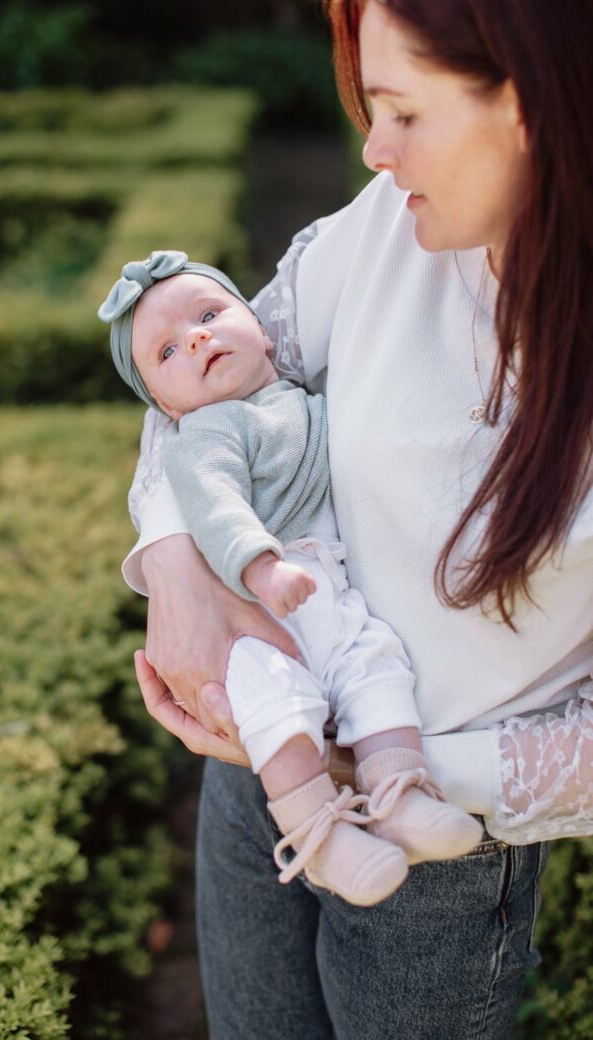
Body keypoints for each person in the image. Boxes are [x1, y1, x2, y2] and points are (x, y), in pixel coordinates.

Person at [122, 1, 592, 1036]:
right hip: (260, 775)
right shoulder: (391, 223)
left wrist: (400, 763)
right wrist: (177, 572)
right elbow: (201, 390)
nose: (373, 149)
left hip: (444, 855)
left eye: (401, 111)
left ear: (527, 107)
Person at [98, 252, 483, 906]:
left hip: (330, 594)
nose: (196, 337)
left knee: (376, 665)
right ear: (165, 408)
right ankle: (319, 836)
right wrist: (260, 566)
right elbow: (214, 503)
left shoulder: (308, 404)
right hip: (256, 609)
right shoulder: (209, 432)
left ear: (264, 327)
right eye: (167, 351)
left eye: (210, 314)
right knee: (279, 708)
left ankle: (397, 793)